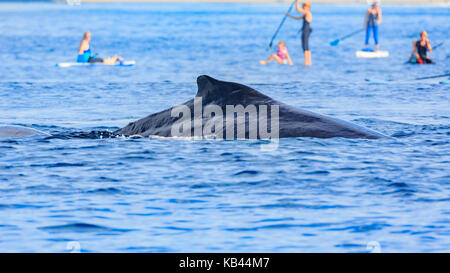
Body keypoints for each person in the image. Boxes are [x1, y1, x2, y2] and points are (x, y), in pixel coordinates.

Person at [286, 1, 312, 66]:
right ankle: (308, 61)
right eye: (303, 6)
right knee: (305, 46)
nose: (303, 7)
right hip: (305, 31)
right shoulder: (305, 14)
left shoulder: (307, 12)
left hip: (306, 31)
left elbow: (297, 9)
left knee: (305, 46)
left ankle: (306, 62)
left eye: (305, 6)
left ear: (308, 7)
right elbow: (297, 18)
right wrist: (289, 16)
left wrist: (297, 1)